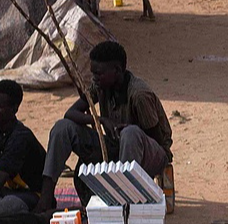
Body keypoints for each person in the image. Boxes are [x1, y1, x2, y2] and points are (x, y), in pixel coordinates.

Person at [41, 40, 172, 205]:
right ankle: (45, 197)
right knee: (63, 128)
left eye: (99, 73)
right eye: (93, 73)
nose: (94, 78)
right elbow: (71, 113)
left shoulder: (139, 94)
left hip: (147, 155)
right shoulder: (100, 86)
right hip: (115, 150)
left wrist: (128, 132)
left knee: (130, 134)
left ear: (117, 70)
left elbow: (157, 140)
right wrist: (102, 120)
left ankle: (124, 202)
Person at [0, 80, 48, 217]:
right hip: (9, 188)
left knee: (9, 205)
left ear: (14, 109)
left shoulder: (20, 137)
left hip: (32, 194)